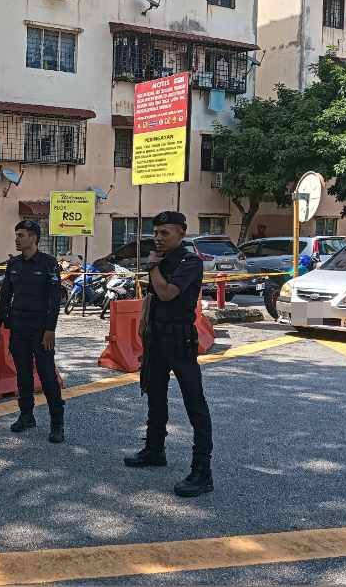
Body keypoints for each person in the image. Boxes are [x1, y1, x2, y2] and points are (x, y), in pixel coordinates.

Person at [123, 211, 214, 498]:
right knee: (155, 393)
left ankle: (202, 471)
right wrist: (143, 321)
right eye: (157, 233)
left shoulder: (190, 262)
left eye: (166, 233)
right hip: (157, 336)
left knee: (194, 402)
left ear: (181, 234)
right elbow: (152, 297)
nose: (158, 238)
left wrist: (152, 267)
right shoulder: (161, 261)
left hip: (179, 337)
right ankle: (154, 448)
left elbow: (166, 293)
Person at [0, 220, 65, 443]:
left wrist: (50, 329)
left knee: (46, 375)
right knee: (23, 374)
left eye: (21, 235)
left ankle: (57, 424)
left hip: (40, 329)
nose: (17, 239)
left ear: (33, 238)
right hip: (19, 327)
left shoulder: (48, 264)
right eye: (16, 235)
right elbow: (5, 296)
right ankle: (26, 416)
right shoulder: (13, 264)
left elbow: (55, 300)